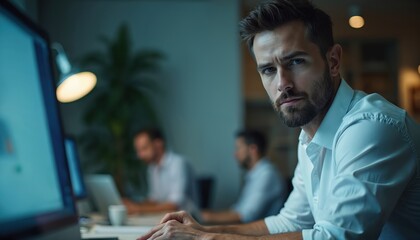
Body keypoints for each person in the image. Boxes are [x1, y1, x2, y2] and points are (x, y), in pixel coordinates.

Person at [137, 0, 420, 239]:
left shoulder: (372, 127)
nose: (282, 83)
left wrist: (207, 238)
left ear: (333, 61)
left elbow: (334, 236)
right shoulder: (309, 135)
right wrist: (201, 229)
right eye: (268, 70)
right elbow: (290, 222)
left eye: (295, 61)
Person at [201, 130, 287, 224]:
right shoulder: (255, 174)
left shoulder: (267, 175)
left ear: (253, 149)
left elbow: (245, 216)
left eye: (238, 148)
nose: (235, 154)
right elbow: (237, 210)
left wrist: (206, 217)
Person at [123, 127, 198, 214]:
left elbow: (174, 205)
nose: (140, 155)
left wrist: (138, 209)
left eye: (144, 149)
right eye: (138, 151)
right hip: (167, 218)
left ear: (158, 144)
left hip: (188, 220)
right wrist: (133, 205)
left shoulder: (177, 164)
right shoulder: (152, 168)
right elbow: (154, 200)